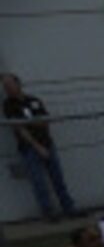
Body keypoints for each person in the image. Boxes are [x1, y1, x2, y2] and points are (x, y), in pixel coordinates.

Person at [2, 71, 75, 219]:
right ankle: (49, 213)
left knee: (58, 179)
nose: (7, 88)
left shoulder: (33, 100)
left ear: (18, 84)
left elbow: (45, 120)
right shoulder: (8, 105)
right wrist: (37, 146)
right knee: (39, 182)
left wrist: (33, 123)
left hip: (47, 144)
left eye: (10, 84)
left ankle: (69, 209)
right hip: (29, 148)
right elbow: (19, 128)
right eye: (5, 86)